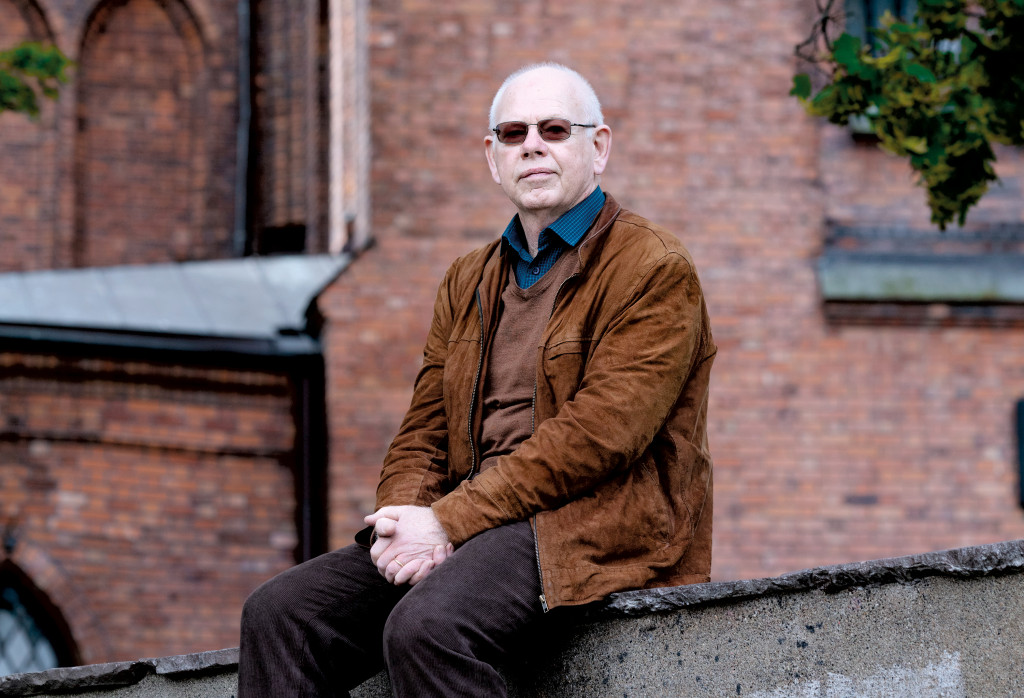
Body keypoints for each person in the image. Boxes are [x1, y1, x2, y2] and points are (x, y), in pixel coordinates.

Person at [238, 62, 716, 697]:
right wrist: (404, 521)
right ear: (494, 158)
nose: (532, 146)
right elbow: (423, 429)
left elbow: (600, 437)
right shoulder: (468, 279)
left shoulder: (654, 267)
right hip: (473, 520)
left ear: (598, 147)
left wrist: (449, 522)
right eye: (514, 134)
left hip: (590, 523)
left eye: (554, 129)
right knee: (280, 615)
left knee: (430, 627)